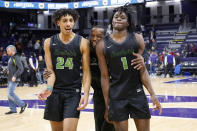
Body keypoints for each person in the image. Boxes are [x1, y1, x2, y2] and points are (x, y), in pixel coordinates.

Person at [96, 4, 162, 131]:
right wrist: (107, 104)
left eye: (122, 17)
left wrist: (153, 95)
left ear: (128, 23)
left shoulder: (137, 39)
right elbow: (104, 77)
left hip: (137, 94)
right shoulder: (102, 45)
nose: (118, 19)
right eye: (116, 17)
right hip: (117, 96)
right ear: (112, 20)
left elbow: (142, 70)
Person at [38, 9, 91, 131]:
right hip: (55, 92)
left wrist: (86, 94)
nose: (68, 24)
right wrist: (49, 89)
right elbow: (50, 72)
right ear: (58, 22)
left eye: (71, 20)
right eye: (65, 20)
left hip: (73, 92)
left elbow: (87, 72)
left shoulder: (83, 43)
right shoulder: (48, 42)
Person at [90, 26, 115, 131]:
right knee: (99, 125)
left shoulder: (112, 50)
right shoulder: (88, 51)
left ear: (106, 37)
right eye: (93, 36)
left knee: (110, 125)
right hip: (98, 94)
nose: (95, 38)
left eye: (99, 36)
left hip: (113, 94)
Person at [5, 45, 27, 115]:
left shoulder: (16, 57)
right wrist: (7, 70)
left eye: (8, 51)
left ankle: (23, 104)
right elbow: (12, 67)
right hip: (10, 78)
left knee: (11, 93)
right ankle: (13, 109)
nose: (7, 52)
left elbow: (21, 68)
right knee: (9, 94)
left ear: (12, 50)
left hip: (14, 78)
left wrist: (15, 75)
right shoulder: (11, 58)